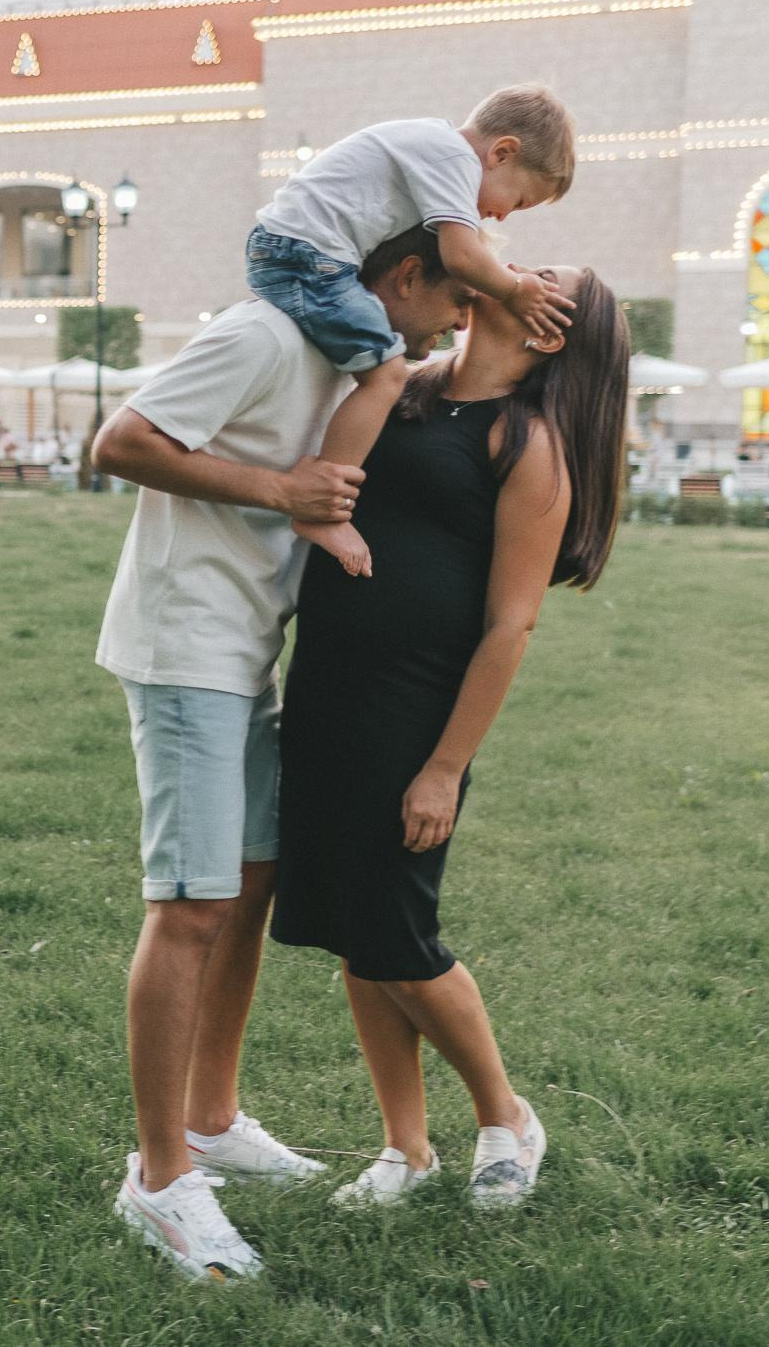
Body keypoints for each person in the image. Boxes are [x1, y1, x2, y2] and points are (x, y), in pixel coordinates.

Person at [90, 225, 474, 1282]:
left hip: (248, 651)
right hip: (187, 646)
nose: (458, 325)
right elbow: (120, 443)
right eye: (456, 302)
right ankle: (160, 1178)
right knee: (191, 907)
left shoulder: (355, 359)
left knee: (251, 884)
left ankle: (210, 1121)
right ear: (405, 276)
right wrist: (282, 494)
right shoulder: (261, 334)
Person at [270, 263, 630, 1214]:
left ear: (548, 332)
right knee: (358, 932)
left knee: (397, 932)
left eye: (539, 278)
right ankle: (407, 1148)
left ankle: (506, 1117)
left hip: (415, 714)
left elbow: (511, 624)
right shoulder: (406, 387)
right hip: (328, 689)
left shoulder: (528, 441)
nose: (505, 270)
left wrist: (443, 767)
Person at [246, 84, 579, 579]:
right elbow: (460, 256)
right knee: (386, 375)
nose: (503, 214)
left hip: (296, 250)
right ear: (502, 153)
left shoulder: (434, 147)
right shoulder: (454, 159)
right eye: (518, 199)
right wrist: (515, 290)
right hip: (306, 257)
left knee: (365, 360)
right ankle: (323, 509)